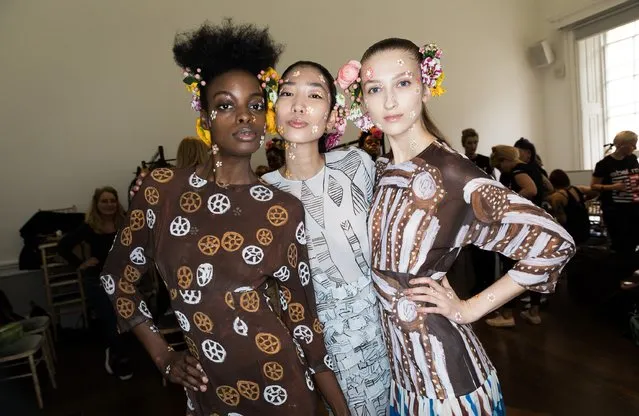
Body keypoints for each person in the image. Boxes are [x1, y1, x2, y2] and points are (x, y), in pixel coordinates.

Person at [100, 20, 348, 415]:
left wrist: (339, 407)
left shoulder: (281, 209)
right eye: (225, 105)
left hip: (283, 386)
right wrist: (163, 356)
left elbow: (301, 317)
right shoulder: (161, 190)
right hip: (209, 388)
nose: (244, 116)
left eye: (254, 105)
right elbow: (118, 279)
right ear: (205, 117)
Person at [339, 38, 575, 415]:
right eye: (374, 88)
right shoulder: (382, 170)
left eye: (402, 83)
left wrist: (469, 309)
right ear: (362, 101)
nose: (389, 101)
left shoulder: (452, 172)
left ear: (425, 87)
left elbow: (552, 243)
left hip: (447, 387)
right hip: (403, 377)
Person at [261, 61, 391, 414]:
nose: (299, 106)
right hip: (305, 343)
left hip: (376, 335)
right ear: (273, 109)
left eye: (314, 95)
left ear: (334, 116)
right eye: (287, 93)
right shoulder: (261, 193)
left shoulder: (356, 164)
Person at [58, 187, 132, 379]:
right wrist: (80, 264)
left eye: (112, 201)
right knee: (110, 319)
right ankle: (119, 357)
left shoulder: (125, 223)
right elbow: (63, 246)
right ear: (96, 204)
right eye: (104, 201)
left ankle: (117, 348)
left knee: (126, 318)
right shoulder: (89, 227)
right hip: (98, 279)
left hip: (122, 279)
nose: (109, 205)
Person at [486, 145, 546, 326]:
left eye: (499, 166)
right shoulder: (534, 167)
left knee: (511, 269)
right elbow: (547, 187)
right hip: (536, 225)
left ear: (505, 160)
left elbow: (531, 190)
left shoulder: (518, 170)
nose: (500, 170)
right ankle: (534, 312)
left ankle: (507, 315)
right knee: (533, 267)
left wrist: (509, 205)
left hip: (521, 227)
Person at [592, 130, 639, 258]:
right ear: (621, 144)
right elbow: (594, 186)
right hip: (615, 210)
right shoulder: (604, 164)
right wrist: (613, 187)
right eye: (632, 144)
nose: (635, 147)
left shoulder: (633, 159)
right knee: (620, 243)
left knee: (634, 239)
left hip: (634, 206)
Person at [548, 169, 598, 246]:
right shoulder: (578, 189)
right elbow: (596, 192)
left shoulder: (557, 197)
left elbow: (562, 220)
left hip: (572, 234)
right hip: (585, 229)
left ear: (552, 182)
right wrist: (584, 200)